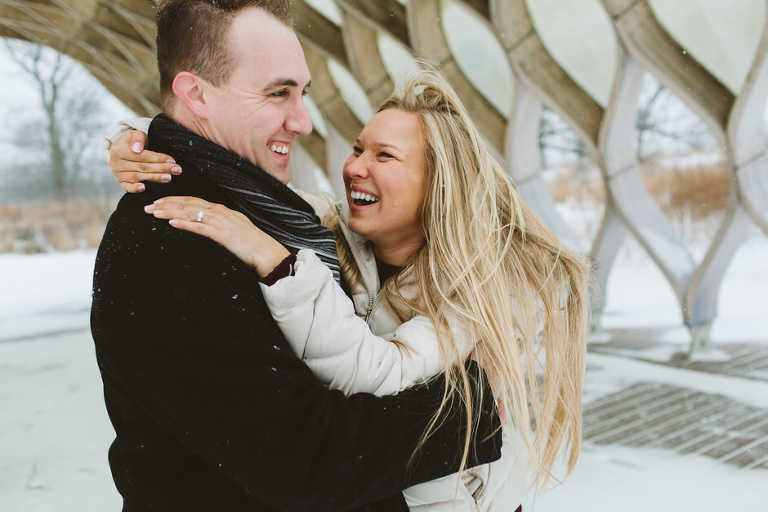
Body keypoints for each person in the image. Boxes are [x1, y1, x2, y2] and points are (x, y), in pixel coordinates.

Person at [106, 70, 592, 511]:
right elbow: (246, 185)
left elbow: (384, 377)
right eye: (359, 148)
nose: (355, 166)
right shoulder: (335, 231)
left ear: (439, 184)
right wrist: (140, 146)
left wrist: (280, 266)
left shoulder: (485, 289)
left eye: (384, 156)